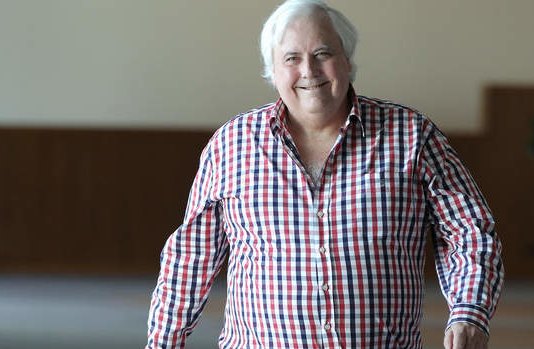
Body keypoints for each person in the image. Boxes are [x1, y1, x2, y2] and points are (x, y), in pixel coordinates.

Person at [146, 0, 504, 348]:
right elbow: (190, 258)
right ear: (273, 70)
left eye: (323, 54)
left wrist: (469, 311)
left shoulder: (412, 136)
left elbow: (470, 231)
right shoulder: (231, 145)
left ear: (347, 61)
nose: (309, 71)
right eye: (292, 58)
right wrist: (163, 342)